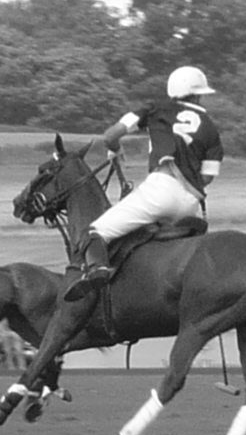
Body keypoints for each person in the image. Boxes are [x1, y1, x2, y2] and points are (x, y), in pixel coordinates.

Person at [67, 66, 225, 296]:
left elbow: (110, 135)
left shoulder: (155, 108)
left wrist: (115, 149)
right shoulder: (211, 128)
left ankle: (99, 271)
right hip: (191, 203)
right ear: (198, 95)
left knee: (96, 232)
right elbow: (207, 177)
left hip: (160, 191)